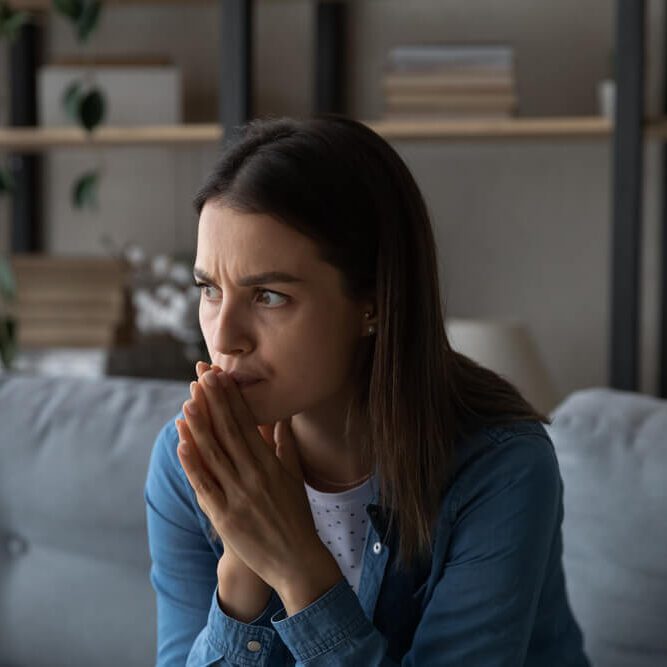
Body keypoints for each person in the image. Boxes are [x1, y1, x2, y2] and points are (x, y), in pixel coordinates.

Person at [144, 115, 591, 666]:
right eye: (210, 289)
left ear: (372, 302)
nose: (224, 336)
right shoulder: (184, 460)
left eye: (268, 296)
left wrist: (295, 566)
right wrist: (241, 564)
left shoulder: (500, 468)